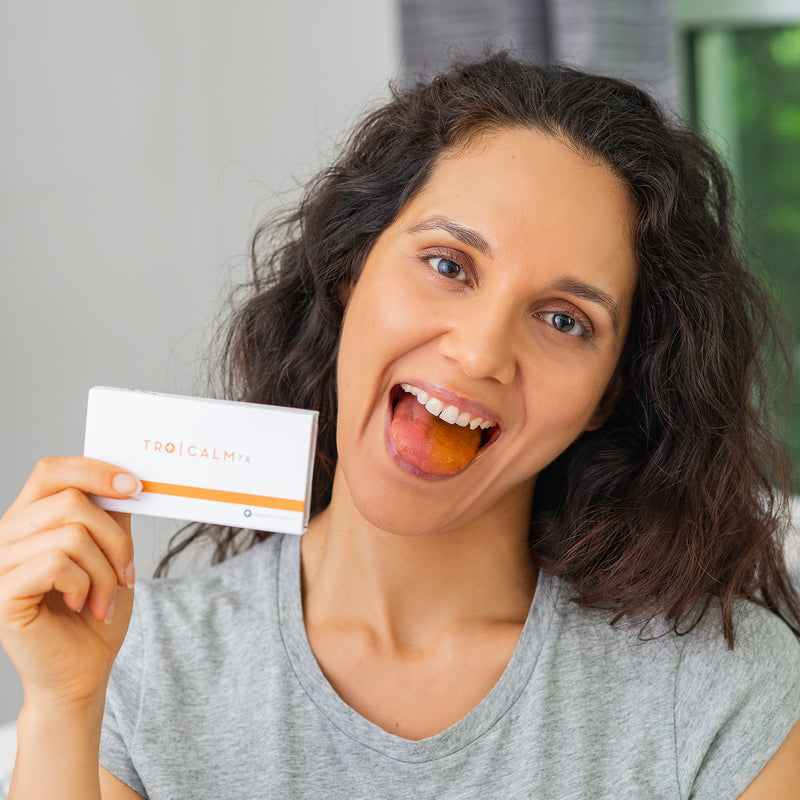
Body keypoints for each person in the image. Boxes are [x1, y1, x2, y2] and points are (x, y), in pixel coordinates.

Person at [1, 52, 799, 799]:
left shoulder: (723, 692)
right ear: (350, 271)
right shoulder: (136, 668)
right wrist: (64, 704)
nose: (482, 351)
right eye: (449, 265)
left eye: (563, 319)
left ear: (607, 395)